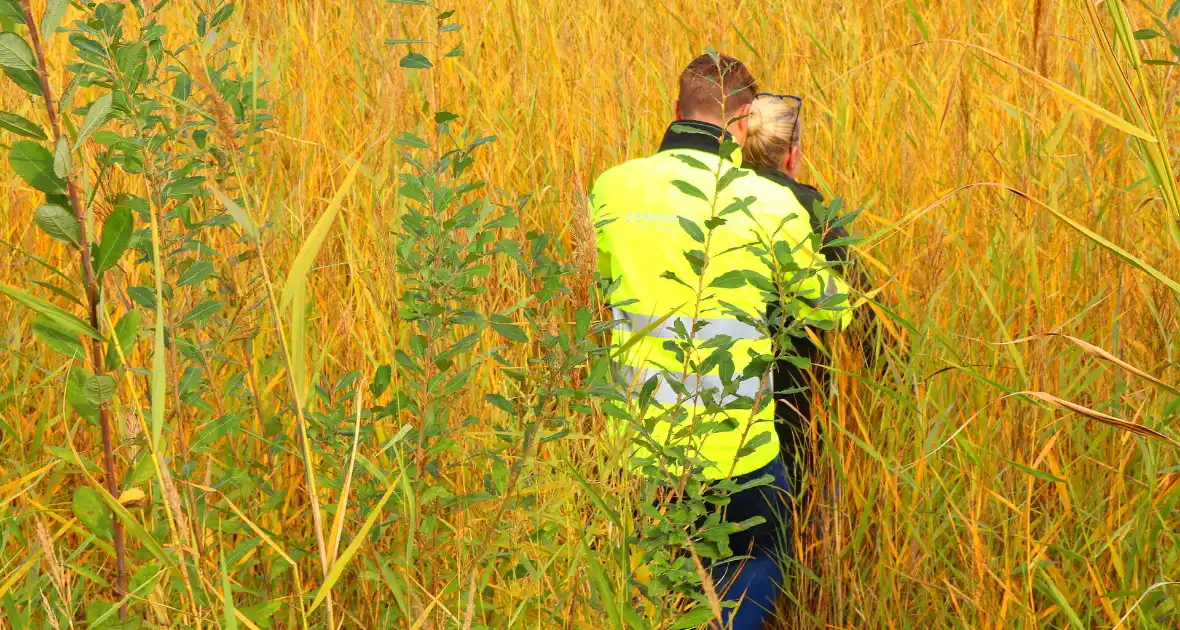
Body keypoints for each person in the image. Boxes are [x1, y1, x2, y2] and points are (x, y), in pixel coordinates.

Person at [589, 54, 852, 629]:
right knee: (756, 555)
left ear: (677, 109)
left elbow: (602, 286)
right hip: (740, 452)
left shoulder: (612, 188)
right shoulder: (770, 201)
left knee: (657, 590)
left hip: (641, 448)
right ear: (744, 118)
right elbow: (829, 310)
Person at [741, 93, 873, 497]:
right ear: (792, 155)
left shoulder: (711, 200)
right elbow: (862, 308)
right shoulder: (809, 209)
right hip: (797, 399)